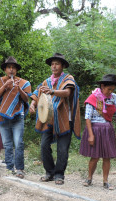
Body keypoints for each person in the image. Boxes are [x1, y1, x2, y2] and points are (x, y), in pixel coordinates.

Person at [29, 53, 81, 185]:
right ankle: (49, 172)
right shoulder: (46, 81)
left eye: (57, 64)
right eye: (52, 64)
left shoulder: (68, 78)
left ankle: (59, 174)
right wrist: (32, 104)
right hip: (49, 118)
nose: (54, 66)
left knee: (62, 149)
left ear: (63, 66)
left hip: (65, 119)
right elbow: (37, 93)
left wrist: (52, 91)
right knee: (44, 146)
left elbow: (67, 93)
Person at [0, 56, 31, 178]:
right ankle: (10, 168)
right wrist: (5, 86)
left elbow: (26, 99)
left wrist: (19, 89)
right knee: (7, 144)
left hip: (18, 117)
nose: (11, 70)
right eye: (9, 67)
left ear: (16, 70)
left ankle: (20, 169)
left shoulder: (24, 83)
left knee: (19, 143)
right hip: (2, 116)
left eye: (13, 67)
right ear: (5, 69)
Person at [79, 74, 116, 189]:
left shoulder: (113, 97)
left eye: (113, 89)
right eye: (109, 89)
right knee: (95, 156)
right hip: (95, 129)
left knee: (107, 156)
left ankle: (105, 181)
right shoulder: (93, 98)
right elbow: (87, 117)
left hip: (107, 129)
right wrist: (90, 135)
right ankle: (89, 178)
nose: (110, 92)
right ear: (102, 86)